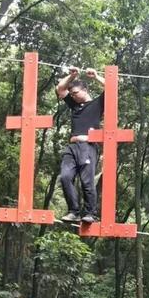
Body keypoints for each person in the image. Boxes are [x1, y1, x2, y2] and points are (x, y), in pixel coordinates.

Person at [56, 67, 105, 223]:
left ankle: (90, 213)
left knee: (86, 181)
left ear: (85, 90)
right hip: (72, 147)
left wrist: (96, 76)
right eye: (72, 95)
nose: (73, 97)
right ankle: (73, 211)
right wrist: (71, 76)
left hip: (88, 146)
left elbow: (112, 87)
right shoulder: (74, 105)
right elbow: (60, 88)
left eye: (76, 93)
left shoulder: (98, 104)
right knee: (65, 177)